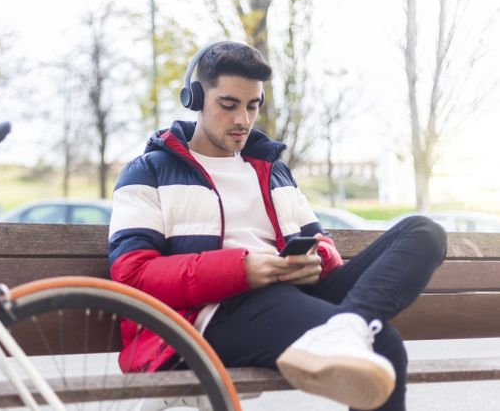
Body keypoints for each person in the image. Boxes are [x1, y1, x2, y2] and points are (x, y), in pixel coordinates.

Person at [107, 41, 446, 410]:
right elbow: (131, 275)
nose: (243, 120)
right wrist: (241, 270)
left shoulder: (272, 169)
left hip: (293, 293)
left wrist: (318, 260)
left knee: (423, 232)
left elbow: (320, 241)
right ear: (195, 98)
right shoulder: (150, 170)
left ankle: (348, 326)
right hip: (215, 315)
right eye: (228, 105)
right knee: (383, 346)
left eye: (253, 106)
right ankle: (349, 330)